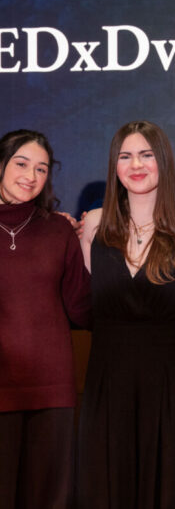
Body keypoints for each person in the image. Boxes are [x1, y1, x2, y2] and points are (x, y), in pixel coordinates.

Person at [76, 120, 175, 508]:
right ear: (114, 166)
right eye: (125, 156)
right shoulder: (93, 224)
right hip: (107, 374)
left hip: (169, 377)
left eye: (146, 155)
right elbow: (78, 295)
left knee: (168, 482)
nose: (136, 165)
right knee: (107, 480)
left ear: (163, 161)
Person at [0, 129, 91, 509]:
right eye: (21, 164)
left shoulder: (58, 229)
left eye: (41, 168)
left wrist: (89, 245)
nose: (31, 176)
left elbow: (82, 308)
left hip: (53, 388)